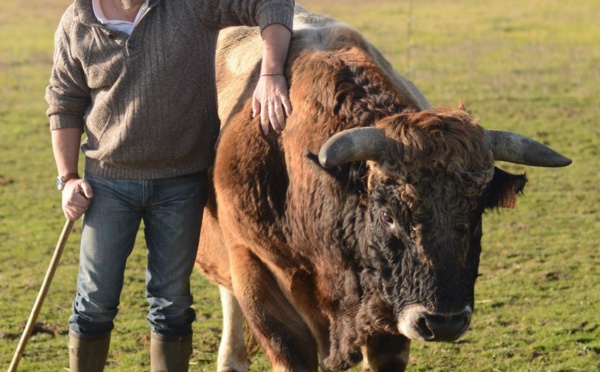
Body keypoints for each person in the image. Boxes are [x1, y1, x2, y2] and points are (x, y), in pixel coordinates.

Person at [46, 0, 294, 370]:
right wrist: (67, 178)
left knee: (172, 305)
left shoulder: (191, 6)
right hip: (108, 184)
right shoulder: (77, 21)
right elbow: (64, 102)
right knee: (94, 303)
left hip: (181, 184)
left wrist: (271, 74)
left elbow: (272, 3)